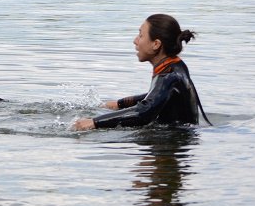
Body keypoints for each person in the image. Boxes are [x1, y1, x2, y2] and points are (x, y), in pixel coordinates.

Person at [72, 14, 210, 131]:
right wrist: (119, 104)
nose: (135, 41)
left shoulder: (169, 74)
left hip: (171, 147)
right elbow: (157, 96)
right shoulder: (175, 66)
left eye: (141, 35)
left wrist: (94, 122)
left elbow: (145, 112)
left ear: (156, 44)